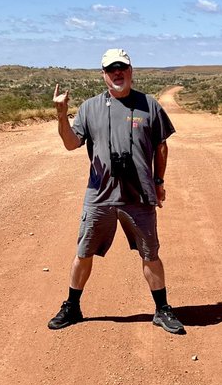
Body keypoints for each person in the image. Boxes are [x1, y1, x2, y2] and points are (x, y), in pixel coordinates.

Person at [48, 48, 185, 334]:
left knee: (150, 253)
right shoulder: (89, 108)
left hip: (139, 197)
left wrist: (159, 183)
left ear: (131, 71)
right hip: (100, 195)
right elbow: (71, 144)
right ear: (104, 75)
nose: (117, 73)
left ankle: (162, 309)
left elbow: (161, 146)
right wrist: (62, 115)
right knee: (84, 252)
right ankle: (72, 306)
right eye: (111, 69)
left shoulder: (149, 105)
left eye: (122, 67)